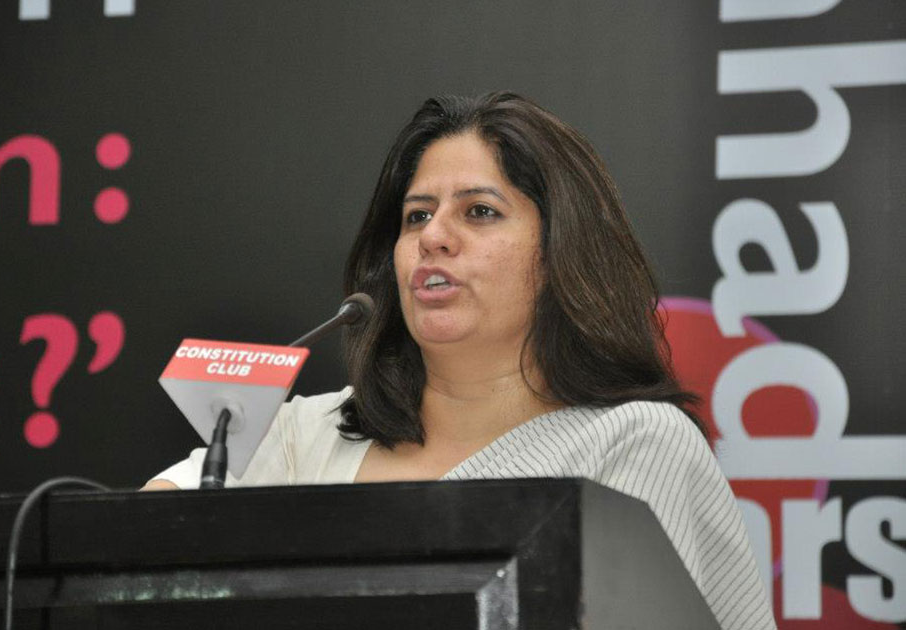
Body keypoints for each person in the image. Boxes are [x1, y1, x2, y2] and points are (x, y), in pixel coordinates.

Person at [145, 92, 776, 630]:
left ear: (562, 252)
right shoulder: (306, 434)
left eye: (480, 211)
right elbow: (141, 545)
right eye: (417, 215)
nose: (433, 236)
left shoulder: (633, 443)